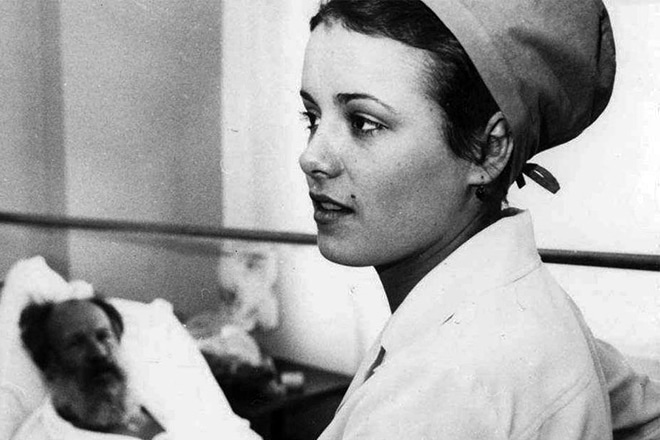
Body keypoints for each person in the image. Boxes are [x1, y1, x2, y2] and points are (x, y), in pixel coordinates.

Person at [298, 0, 660, 438]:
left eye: (364, 123)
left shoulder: (440, 392)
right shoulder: (524, 308)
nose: (312, 157)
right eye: (312, 117)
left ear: (488, 151)